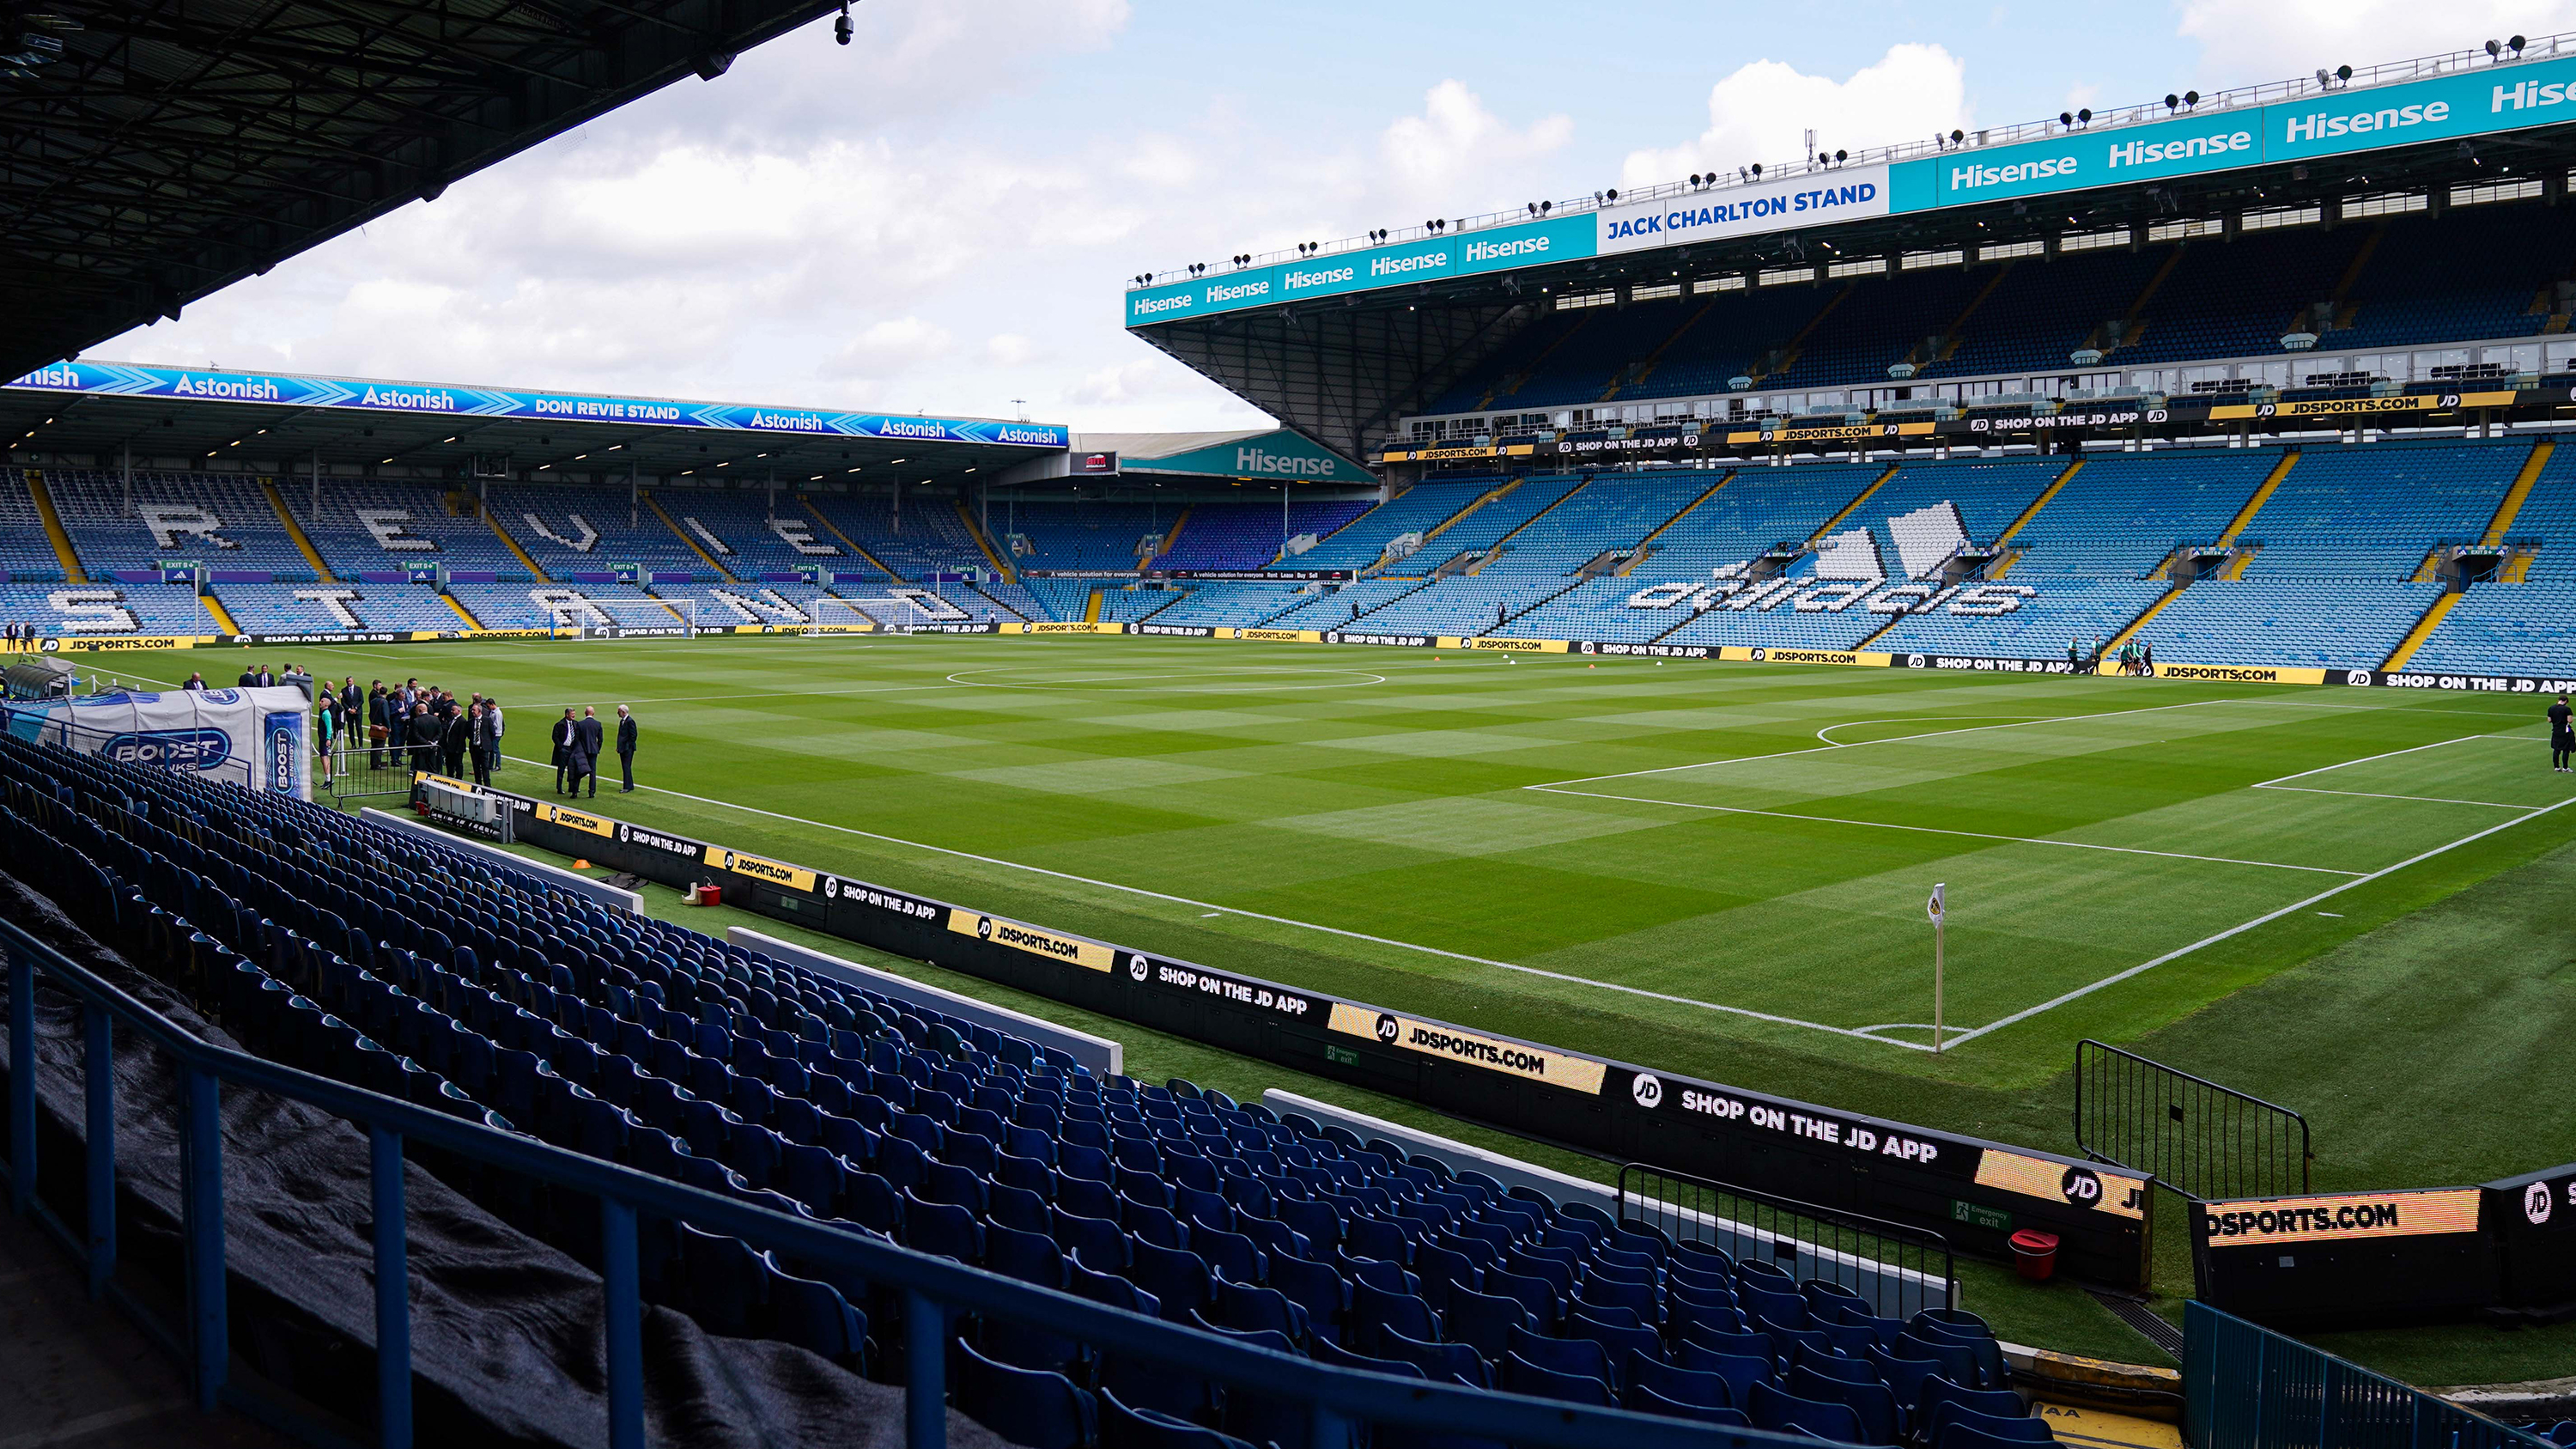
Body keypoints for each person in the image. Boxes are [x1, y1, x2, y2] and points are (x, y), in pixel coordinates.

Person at [574, 705, 605, 799]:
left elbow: (577, 739)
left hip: (582, 751)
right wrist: (597, 748)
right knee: (592, 772)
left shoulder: (580, 724)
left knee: (578, 770)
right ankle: (591, 792)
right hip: (593, 751)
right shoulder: (598, 724)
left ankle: (575, 792)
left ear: (585, 713)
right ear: (593, 713)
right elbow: (600, 739)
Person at [407, 701, 442, 776]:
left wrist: (427, 742)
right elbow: (439, 733)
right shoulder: (435, 719)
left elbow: (416, 735)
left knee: (420, 769)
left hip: (421, 748)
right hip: (432, 747)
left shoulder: (416, 721)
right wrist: (433, 742)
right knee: (432, 767)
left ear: (420, 711)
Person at [471, 703, 498, 786]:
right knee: (476, 767)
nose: (472, 712)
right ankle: (478, 784)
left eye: (474, 710)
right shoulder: (471, 722)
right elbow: (469, 734)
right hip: (474, 748)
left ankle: (487, 785)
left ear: (479, 711)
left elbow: (493, 733)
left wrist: (486, 742)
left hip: (483, 748)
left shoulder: (487, 720)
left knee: (485, 767)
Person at [551, 709, 579, 794]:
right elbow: (555, 737)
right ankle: (559, 788)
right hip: (563, 750)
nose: (573, 715)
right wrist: (561, 747)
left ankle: (572, 787)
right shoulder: (559, 725)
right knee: (561, 769)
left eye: (574, 714)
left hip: (572, 749)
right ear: (567, 715)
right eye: (572, 714)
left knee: (572, 769)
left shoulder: (576, 724)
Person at [441, 703, 470, 779]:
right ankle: (450, 776)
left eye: (453, 710)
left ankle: (458, 778)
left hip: (457, 748)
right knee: (449, 763)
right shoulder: (452, 719)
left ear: (459, 711)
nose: (451, 711)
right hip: (450, 747)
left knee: (458, 764)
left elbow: (462, 736)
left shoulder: (462, 721)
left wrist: (458, 749)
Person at [615, 703, 638, 792]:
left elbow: (633, 735)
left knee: (626, 766)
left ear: (623, 712)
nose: (618, 714)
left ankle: (627, 786)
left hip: (628, 748)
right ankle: (629, 785)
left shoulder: (630, 721)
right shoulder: (622, 721)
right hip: (623, 748)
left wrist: (627, 746)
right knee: (625, 766)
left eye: (619, 712)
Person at [368, 680, 391, 769]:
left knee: (374, 745)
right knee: (380, 746)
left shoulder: (373, 701)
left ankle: (373, 763)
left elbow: (370, 714)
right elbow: (386, 716)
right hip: (381, 727)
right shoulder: (384, 702)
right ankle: (377, 764)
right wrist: (388, 726)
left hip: (374, 725)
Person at [2553, 693, 2574, 773]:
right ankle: (2565, 767)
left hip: (2556, 730)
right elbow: (2570, 721)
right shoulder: (2567, 709)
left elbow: (2549, 720)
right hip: (2566, 729)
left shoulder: (2551, 708)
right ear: (2565, 701)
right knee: (2566, 749)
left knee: (2556, 749)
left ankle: (2556, 767)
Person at [487, 697, 505, 775]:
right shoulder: (493, 712)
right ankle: (490, 765)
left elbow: (496, 725)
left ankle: (498, 765)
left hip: (496, 733)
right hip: (494, 733)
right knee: (492, 750)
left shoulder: (497, 713)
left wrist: (489, 725)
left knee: (495, 749)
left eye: (488, 706)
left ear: (492, 704)